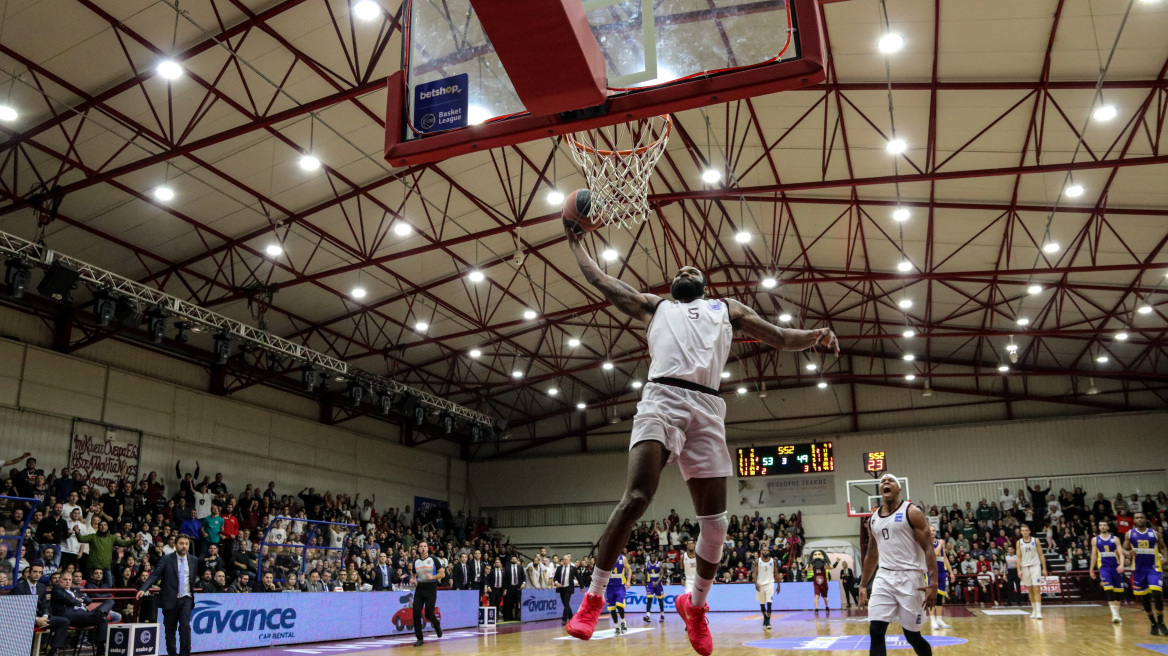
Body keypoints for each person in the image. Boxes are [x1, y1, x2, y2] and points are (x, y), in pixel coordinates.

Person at [562, 226, 838, 656]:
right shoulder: (655, 307)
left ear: (706, 286)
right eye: (680, 269)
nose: (687, 268)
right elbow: (601, 280)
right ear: (672, 287)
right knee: (637, 497)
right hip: (662, 399)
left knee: (717, 523)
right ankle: (594, 597)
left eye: (694, 268)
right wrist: (575, 241)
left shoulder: (727, 309)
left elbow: (781, 338)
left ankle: (695, 605)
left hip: (708, 408)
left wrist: (815, 335)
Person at [858, 474, 938, 656]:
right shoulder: (873, 519)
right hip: (884, 576)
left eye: (890, 481)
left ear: (898, 489)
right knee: (876, 630)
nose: (886, 482)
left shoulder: (912, 512)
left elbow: (928, 549)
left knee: (912, 636)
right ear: (881, 490)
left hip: (911, 578)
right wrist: (863, 584)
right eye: (883, 482)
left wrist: (934, 584)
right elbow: (871, 553)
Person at [138, 534, 198, 656]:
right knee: (170, 630)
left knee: (185, 627)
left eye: (186, 544)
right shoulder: (166, 559)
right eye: (181, 543)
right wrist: (144, 589)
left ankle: (185, 654)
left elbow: (192, 579)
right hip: (170, 599)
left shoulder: (193, 560)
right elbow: (155, 575)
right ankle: (172, 653)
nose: (184, 546)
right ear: (176, 544)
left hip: (186, 598)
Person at [1125, 511, 1166, 635]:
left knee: (1157, 593)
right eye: (1137, 518)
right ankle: (1153, 623)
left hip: (1154, 568)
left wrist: (1166, 557)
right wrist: (1127, 555)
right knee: (1145, 598)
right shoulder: (1129, 534)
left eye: (1141, 517)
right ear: (1134, 520)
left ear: (1145, 519)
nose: (1139, 519)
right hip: (1138, 570)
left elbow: (1163, 547)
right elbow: (1123, 548)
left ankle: (1161, 622)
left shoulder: (1154, 533)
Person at [15, 563, 70, 656]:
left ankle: (53, 652)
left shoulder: (41, 587)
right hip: (25, 619)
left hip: (41, 618)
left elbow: (45, 605)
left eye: (40, 572)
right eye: (35, 572)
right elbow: (18, 609)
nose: (37, 574)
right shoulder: (19, 587)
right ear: (29, 573)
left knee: (64, 621)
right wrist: (36, 619)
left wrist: (44, 616)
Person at [51, 571, 108, 656]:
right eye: (65, 579)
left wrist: (78, 599)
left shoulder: (75, 590)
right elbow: (69, 600)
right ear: (59, 580)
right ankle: (98, 615)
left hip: (83, 614)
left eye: (70, 580)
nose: (68, 582)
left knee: (108, 604)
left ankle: (100, 649)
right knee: (102, 618)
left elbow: (89, 600)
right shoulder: (57, 589)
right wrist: (79, 600)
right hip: (70, 615)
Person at [1089, 520, 1125, 624]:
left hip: (1115, 567)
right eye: (1100, 525)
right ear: (1098, 527)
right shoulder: (1095, 540)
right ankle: (1114, 614)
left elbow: (1121, 554)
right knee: (1109, 590)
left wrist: (1122, 565)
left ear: (1108, 527)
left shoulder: (1115, 539)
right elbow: (1094, 556)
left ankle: (1117, 613)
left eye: (1104, 525)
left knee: (1118, 591)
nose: (1102, 527)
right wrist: (1091, 569)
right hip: (1104, 568)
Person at [412, 540, 444, 647]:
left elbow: (442, 574)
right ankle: (419, 638)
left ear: (427, 548)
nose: (423, 548)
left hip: (431, 587)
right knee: (416, 613)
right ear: (418, 549)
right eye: (421, 546)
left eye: (425, 546)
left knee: (429, 614)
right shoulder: (416, 562)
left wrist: (433, 577)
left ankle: (437, 624)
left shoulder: (433, 559)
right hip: (420, 588)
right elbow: (413, 574)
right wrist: (413, 579)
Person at [1016, 523, 1048, 619]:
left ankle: (1039, 611)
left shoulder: (1035, 540)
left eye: (1026, 530)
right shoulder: (1019, 542)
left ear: (1029, 531)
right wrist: (1019, 570)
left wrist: (1044, 568)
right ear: (1021, 532)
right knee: (1030, 589)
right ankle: (1034, 610)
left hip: (1035, 566)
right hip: (1025, 567)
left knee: (1036, 588)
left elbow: (1041, 554)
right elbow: (1018, 557)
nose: (1024, 532)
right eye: (1023, 530)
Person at [928, 525, 953, 630]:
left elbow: (945, 557)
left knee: (940, 597)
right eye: (930, 530)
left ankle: (939, 619)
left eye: (934, 530)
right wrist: (942, 544)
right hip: (931, 572)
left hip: (942, 571)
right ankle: (932, 620)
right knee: (931, 596)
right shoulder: (926, 542)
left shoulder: (940, 542)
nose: (932, 532)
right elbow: (935, 554)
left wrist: (951, 572)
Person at [604, 552, 630, 635]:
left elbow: (629, 569)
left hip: (620, 586)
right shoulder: (607, 559)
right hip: (610, 587)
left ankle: (623, 622)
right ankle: (616, 627)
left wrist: (628, 581)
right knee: (612, 609)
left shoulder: (623, 558)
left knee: (619, 605)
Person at [752, 547, 778, 629]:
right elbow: (755, 573)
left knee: (769, 603)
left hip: (770, 584)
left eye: (767, 550)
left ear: (769, 552)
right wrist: (756, 584)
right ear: (761, 552)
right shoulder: (757, 561)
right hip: (760, 584)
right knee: (762, 604)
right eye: (764, 550)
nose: (765, 551)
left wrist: (779, 585)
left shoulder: (773, 561)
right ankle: (765, 617)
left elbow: (776, 573)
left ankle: (768, 621)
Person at [553, 555, 579, 626]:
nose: (566, 561)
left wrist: (582, 586)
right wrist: (556, 583)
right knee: (565, 604)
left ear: (569, 560)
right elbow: (555, 578)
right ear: (562, 561)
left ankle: (564, 619)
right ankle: (571, 617)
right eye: (564, 559)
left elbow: (578, 577)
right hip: (561, 588)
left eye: (567, 559)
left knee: (566, 603)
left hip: (568, 588)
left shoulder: (572, 568)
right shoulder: (559, 568)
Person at [808, 548, 834, 613]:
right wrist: (800, 563)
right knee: (816, 596)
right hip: (816, 583)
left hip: (824, 584)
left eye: (819, 554)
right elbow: (806, 568)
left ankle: (827, 606)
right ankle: (816, 609)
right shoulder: (813, 566)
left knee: (825, 598)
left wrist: (837, 562)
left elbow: (832, 567)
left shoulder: (824, 565)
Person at [642, 552, 666, 623]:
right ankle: (648, 615)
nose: (652, 557)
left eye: (653, 556)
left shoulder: (659, 564)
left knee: (660, 600)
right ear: (649, 557)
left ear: (656, 557)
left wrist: (657, 582)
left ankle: (662, 615)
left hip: (658, 584)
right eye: (651, 556)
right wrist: (645, 584)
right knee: (649, 599)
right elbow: (646, 575)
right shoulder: (646, 564)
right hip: (650, 584)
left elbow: (661, 574)